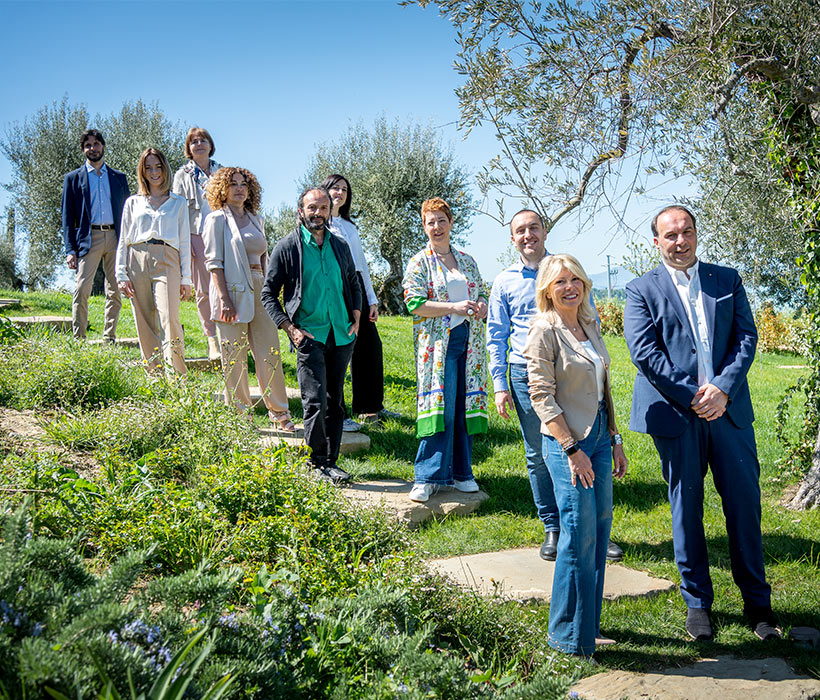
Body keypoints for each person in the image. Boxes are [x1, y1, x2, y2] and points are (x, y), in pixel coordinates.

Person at [623, 205, 780, 642]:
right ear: (656, 242)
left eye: (686, 232)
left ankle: (758, 605)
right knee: (685, 508)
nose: (680, 241)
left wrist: (723, 388)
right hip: (677, 416)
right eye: (670, 235)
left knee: (744, 506)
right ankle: (697, 603)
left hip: (729, 413)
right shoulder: (639, 290)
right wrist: (694, 396)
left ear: (696, 234)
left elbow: (746, 338)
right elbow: (644, 353)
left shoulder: (726, 279)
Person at [487, 209, 624, 562]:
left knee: (587, 443)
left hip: (571, 370)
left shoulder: (568, 273)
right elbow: (496, 335)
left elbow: (587, 318)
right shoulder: (504, 282)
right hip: (526, 374)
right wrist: (500, 384)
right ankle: (554, 526)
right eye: (520, 230)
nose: (528, 234)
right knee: (539, 453)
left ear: (544, 231)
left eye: (534, 227)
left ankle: (591, 528)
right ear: (512, 239)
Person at [523, 254, 628, 657]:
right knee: (576, 537)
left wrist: (614, 439)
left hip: (600, 438)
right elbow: (540, 396)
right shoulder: (543, 330)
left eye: (576, 280)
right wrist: (570, 449)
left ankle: (588, 626)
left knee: (599, 533)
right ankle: (567, 637)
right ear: (547, 289)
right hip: (570, 444)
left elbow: (603, 388)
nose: (570, 287)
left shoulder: (588, 324)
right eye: (560, 282)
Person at [261, 187, 361, 483]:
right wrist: (290, 329)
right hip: (309, 336)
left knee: (336, 400)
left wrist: (355, 316)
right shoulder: (288, 247)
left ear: (330, 211)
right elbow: (268, 293)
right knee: (315, 399)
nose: (317, 213)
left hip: (341, 333)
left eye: (323, 208)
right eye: (311, 208)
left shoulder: (340, 245)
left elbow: (353, 281)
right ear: (300, 211)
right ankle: (316, 463)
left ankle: (331, 461)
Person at [402, 197, 489, 503]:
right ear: (424, 226)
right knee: (441, 407)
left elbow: (481, 294)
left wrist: (480, 306)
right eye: (430, 222)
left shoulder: (467, 260)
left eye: (441, 220)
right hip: (439, 346)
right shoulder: (419, 262)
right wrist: (452, 306)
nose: (436, 227)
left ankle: (462, 473)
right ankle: (426, 476)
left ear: (451, 223)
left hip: (468, 342)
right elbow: (414, 303)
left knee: (463, 407)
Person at [202, 167, 293, 430]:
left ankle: (279, 413)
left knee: (270, 353)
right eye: (233, 184)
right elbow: (214, 264)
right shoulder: (216, 219)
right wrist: (225, 299)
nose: (239, 188)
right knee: (234, 358)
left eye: (244, 184)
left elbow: (264, 259)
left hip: (260, 290)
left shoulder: (256, 219)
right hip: (230, 292)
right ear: (222, 189)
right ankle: (241, 417)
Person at [115, 148, 191, 375]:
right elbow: (123, 239)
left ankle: (178, 378)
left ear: (164, 168)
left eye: (157, 166)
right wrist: (121, 273)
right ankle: (154, 376)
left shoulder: (178, 202)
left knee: (170, 318)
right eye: (148, 167)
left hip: (167, 257)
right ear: (142, 171)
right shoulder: (133, 202)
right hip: (136, 258)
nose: (154, 172)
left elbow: (185, 241)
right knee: (144, 320)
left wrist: (186, 278)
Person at [323, 174, 384, 431]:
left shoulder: (350, 226)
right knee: (339, 349)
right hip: (336, 286)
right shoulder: (321, 224)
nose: (340, 192)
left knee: (370, 347)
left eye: (344, 189)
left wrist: (372, 300)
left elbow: (363, 267)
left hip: (357, 284)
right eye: (335, 188)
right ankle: (339, 413)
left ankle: (370, 407)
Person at [61, 129, 130, 342]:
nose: (93, 148)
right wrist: (70, 250)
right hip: (88, 239)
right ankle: (78, 338)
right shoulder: (73, 179)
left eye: (96, 143)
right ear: (83, 150)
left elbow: (128, 213)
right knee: (82, 289)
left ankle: (109, 337)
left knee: (115, 290)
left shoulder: (119, 178)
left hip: (116, 238)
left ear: (103, 146)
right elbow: (67, 217)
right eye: (88, 145)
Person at [172, 127, 223, 361]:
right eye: (194, 141)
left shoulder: (222, 172)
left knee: (227, 285)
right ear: (189, 148)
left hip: (222, 234)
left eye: (203, 140)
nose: (199, 144)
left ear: (211, 145)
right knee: (204, 289)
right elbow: (177, 210)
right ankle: (211, 339)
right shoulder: (182, 175)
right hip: (196, 235)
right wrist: (185, 242)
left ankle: (229, 336)